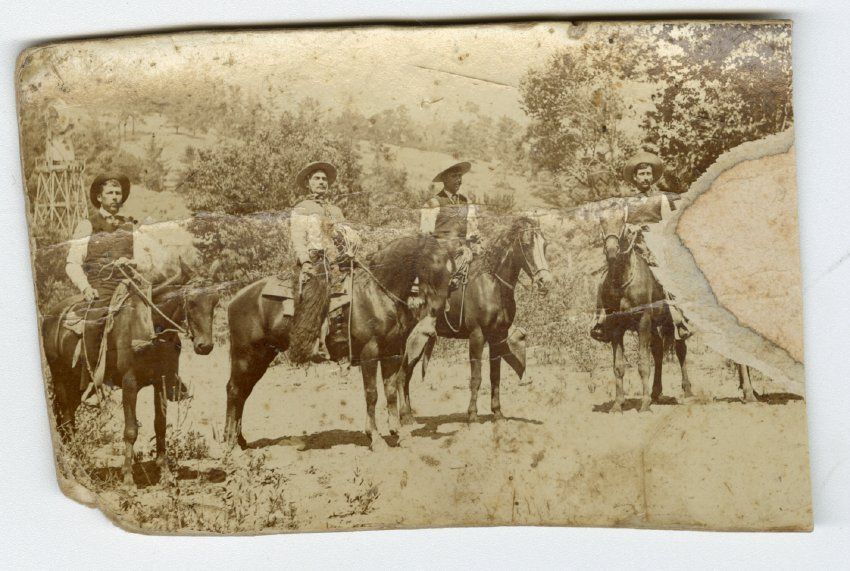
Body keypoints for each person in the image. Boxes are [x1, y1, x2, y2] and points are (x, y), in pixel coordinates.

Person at [590, 151, 692, 342]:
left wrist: (651, 228)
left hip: (655, 246)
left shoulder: (662, 199)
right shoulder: (627, 203)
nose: (645, 178)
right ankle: (601, 320)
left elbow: (671, 223)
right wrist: (628, 228)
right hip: (632, 247)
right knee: (605, 276)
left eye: (648, 174)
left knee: (666, 278)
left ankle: (680, 321)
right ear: (635, 178)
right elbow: (620, 224)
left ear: (652, 177)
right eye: (641, 174)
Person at [66, 173, 143, 400]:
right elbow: (72, 263)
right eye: (110, 193)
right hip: (100, 286)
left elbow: (144, 258)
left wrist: (133, 262)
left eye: (118, 193)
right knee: (96, 320)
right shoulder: (87, 225)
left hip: (128, 283)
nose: (115, 197)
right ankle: (92, 384)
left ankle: (167, 374)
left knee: (159, 307)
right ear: (99, 198)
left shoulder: (130, 226)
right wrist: (86, 288)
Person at [288, 161, 359, 363]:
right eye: (317, 178)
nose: (321, 182)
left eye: (324, 179)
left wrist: (350, 247)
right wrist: (306, 262)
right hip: (315, 261)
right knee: (315, 295)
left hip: (339, 262)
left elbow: (346, 236)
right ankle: (310, 346)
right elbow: (298, 239)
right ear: (308, 183)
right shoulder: (302, 208)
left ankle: (351, 343)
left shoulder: (335, 211)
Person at [418, 162, 480, 290]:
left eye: (460, 176)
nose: (459, 180)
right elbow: (425, 235)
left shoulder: (466, 202)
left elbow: (472, 229)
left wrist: (474, 236)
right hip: (441, 254)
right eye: (454, 176)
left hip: (464, 253)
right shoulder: (433, 203)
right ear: (445, 179)